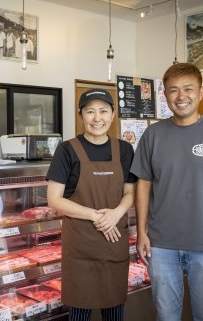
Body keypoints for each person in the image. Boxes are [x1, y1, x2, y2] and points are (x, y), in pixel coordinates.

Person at [130, 63, 203, 321]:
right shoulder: (152, 135)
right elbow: (143, 185)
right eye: (173, 90)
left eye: (188, 89)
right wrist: (141, 232)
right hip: (161, 245)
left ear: (201, 93)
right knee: (166, 315)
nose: (181, 96)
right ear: (165, 95)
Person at [46, 89, 136, 321]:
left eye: (104, 111)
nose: (98, 118)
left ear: (113, 114)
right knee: (79, 312)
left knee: (114, 310)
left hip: (113, 243)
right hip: (81, 247)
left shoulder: (124, 150)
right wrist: (97, 216)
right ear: (80, 115)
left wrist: (115, 214)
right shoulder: (67, 150)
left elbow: (130, 192)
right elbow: (54, 199)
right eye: (90, 111)